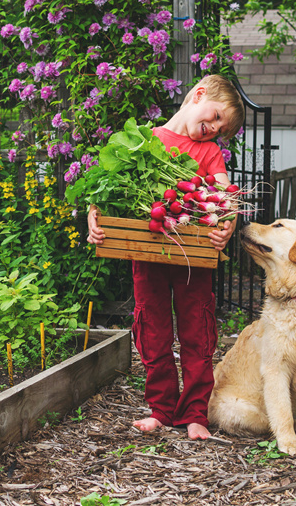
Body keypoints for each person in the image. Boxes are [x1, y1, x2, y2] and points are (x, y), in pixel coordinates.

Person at [87, 74, 245, 440]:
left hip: (192, 258)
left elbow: (226, 196)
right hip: (147, 254)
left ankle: (195, 414)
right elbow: (105, 191)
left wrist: (229, 222)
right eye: (217, 117)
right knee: (153, 332)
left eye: (221, 131)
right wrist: (94, 215)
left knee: (197, 332)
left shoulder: (209, 153)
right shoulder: (145, 141)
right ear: (199, 94)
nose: (214, 130)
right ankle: (160, 408)